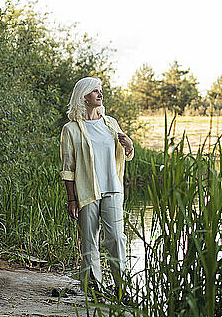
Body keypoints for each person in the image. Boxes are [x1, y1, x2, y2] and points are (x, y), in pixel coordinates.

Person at [59, 76, 134, 296]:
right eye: (95, 91)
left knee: (117, 238)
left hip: (112, 189)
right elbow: (68, 168)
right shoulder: (71, 130)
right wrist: (71, 199)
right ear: (83, 97)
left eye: (100, 90)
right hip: (86, 192)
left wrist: (129, 145)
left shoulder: (110, 123)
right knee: (89, 240)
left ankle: (122, 288)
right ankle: (93, 287)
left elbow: (124, 153)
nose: (100, 94)